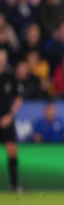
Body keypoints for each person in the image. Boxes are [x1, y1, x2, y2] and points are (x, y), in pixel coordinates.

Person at [0, 48, 23, 192]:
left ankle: (14, 185)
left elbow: (18, 98)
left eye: (2, 59)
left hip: (7, 119)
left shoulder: (10, 77)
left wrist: (10, 115)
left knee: (12, 151)